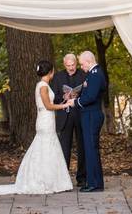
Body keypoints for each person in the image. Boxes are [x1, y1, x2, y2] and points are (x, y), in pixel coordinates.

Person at [0, 60, 74, 195]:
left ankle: (48, 179)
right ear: (50, 72)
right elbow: (48, 106)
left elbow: (49, 103)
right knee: (46, 147)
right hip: (45, 120)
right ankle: (46, 180)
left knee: (46, 147)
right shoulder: (43, 86)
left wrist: (64, 98)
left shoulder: (43, 85)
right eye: (53, 70)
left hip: (46, 119)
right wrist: (65, 105)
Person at [51, 52, 87, 187]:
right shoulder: (58, 77)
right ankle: (63, 178)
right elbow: (54, 97)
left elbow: (88, 94)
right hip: (64, 116)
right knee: (64, 148)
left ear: (76, 64)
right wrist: (63, 97)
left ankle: (82, 178)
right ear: (64, 65)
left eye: (73, 65)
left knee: (82, 147)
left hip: (80, 115)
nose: (71, 68)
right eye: (68, 66)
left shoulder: (83, 75)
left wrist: (77, 95)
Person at [75, 51, 107, 192]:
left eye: (82, 64)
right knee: (90, 149)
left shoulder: (95, 74)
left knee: (91, 149)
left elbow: (91, 97)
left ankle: (94, 183)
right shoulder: (93, 73)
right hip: (90, 115)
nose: (81, 67)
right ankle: (94, 181)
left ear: (88, 61)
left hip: (91, 115)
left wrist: (75, 102)